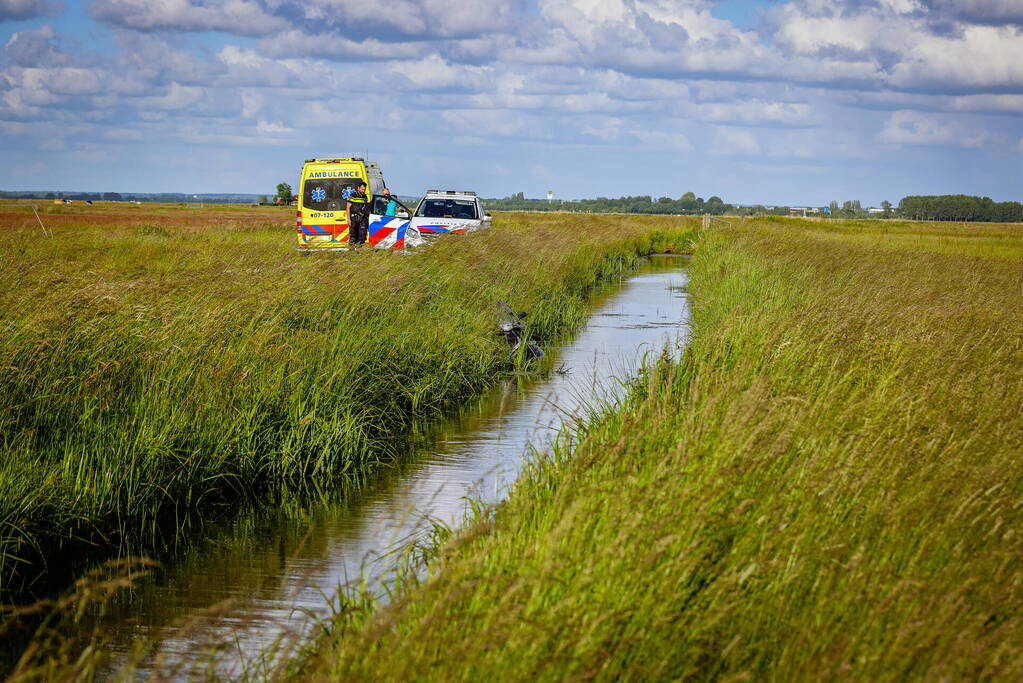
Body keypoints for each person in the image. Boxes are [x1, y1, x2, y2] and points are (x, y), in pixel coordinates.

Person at [346, 181, 371, 247]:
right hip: (354, 218)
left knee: (361, 236)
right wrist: (348, 219)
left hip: (362, 218)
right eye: (362, 189)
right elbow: (348, 208)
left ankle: (359, 249)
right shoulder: (353, 195)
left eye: (364, 189)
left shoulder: (365, 197)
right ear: (358, 188)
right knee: (353, 236)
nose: (363, 191)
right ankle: (352, 250)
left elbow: (366, 208)